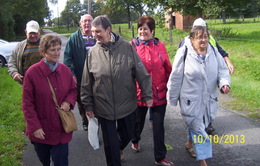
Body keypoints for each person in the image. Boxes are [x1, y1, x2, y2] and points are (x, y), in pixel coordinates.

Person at [81, 15, 153, 166]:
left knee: (127, 135)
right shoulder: (92, 53)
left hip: (126, 104)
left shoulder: (126, 47)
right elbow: (86, 82)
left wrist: (147, 95)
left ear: (108, 30)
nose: (95, 35)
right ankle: (114, 153)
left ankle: (119, 147)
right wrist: (88, 105)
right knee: (110, 145)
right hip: (103, 106)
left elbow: (142, 73)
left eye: (98, 31)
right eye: (93, 31)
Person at [167, 25, 230, 166]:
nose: (203, 40)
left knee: (199, 124)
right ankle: (203, 162)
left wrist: (225, 83)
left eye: (205, 36)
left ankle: (189, 144)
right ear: (192, 39)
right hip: (191, 100)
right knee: (200, 130)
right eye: (199, 37)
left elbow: (223, 71)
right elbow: (176, 76)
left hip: (209, 100)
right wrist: (172, 97)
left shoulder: (214, 52)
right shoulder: (184, 53)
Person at [22, 34, 77, 166]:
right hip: (41, 130)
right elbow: (27, 104)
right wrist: (35, 127)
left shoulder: (65, 70)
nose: (57, 53)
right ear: (42, 52)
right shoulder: (32, 73)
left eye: (58, 49)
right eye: (53, 50)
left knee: (61, 161)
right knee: (44, 160)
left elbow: (72, 90)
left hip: (61, 128)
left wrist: (68, 102)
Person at [130, 16, 173, 166]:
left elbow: (167, 66)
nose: (142, 32)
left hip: (159, 92)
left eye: (146, 29)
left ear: (152, 31)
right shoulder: (132, 46)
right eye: (140, 28)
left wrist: (171, 86)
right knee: (137, 124)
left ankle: (160, 157)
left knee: (158, 127)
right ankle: (135, 140)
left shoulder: (160, 45)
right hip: (139, 94)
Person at [179, 17, 234, 134]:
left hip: (209, 83)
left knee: (208, 105)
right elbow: (180, 63)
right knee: (196, 115)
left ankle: (206, 125)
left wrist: (227, 68)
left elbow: (221, 54)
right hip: (193, 86)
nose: (204, 39)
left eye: (205, 33)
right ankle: (197, 142)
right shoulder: (185, 42)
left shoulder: (212, 41)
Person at [63, 14, 96, 131]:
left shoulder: (98, 36)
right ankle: (85, 120)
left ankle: (96, 121)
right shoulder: (73, 38)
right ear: (80, 23)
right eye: (85, 21)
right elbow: (67, 57)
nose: (87, 23)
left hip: (96, 76)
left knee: (97, 99)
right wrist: (71, 73)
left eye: (89, 21)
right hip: (81, 76)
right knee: (82, 101)